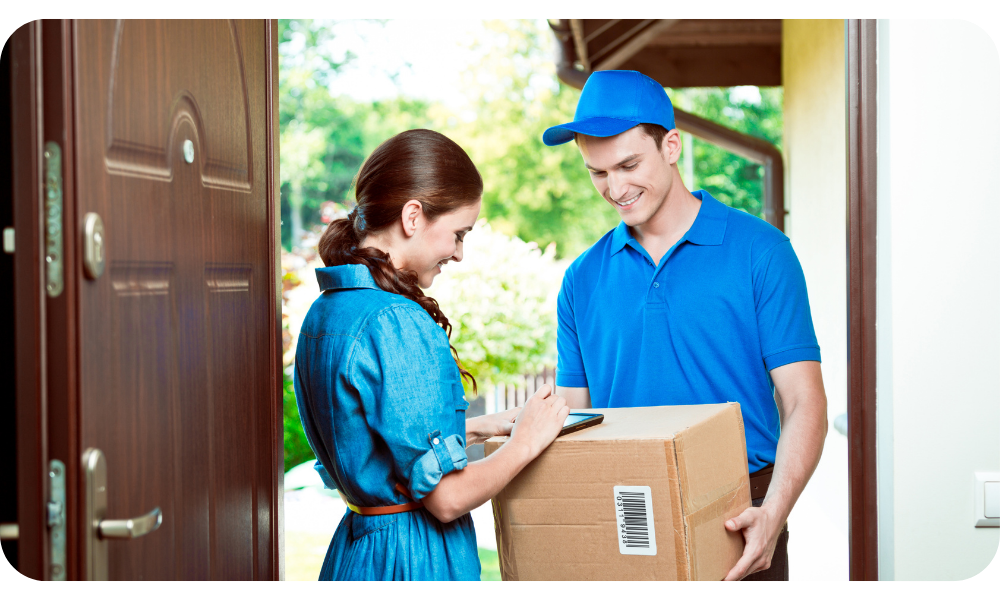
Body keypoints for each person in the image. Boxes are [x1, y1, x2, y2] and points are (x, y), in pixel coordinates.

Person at [542, 70, 828, 582]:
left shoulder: (760, 252)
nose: (616, 188)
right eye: (597, 172)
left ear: (670, 145)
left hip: (742, 510)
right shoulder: (581, 280)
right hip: (626, 509)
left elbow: (805, 401)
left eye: (629, 164)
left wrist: (775, 514)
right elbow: (574, 419)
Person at [294, 129, 570, 582]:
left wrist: (485, 426)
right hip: (411, 560)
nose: (459, 253)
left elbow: (378, 441)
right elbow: (445, 499)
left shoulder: (326, 311)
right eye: (459, 233)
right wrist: (525, 443)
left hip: (357, 553)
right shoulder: (396, 320)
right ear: (413, 216)